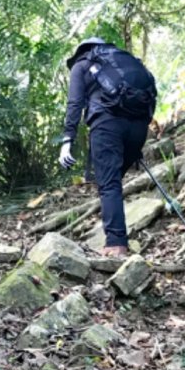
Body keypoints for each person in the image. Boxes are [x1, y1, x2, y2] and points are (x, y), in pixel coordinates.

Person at [59, 37, 157, 257]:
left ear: (81, 52)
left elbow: (75, 104)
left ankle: (115, 245)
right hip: (139, 125)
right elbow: (150, 92)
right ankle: (116, 234)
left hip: (106, 124)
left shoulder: (82, 64)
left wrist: (67, 141)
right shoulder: (127, 62)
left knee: (109, 184)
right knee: (112, 181)